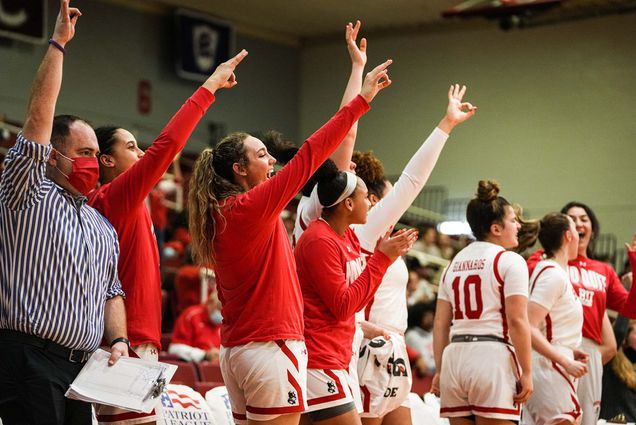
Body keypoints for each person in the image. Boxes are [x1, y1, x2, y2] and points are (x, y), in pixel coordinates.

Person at [187, 54, 393, 424]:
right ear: (240, 170)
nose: (273, 164)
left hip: (236, 350)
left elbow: (331, 157)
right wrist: (361, 101)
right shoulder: (250, 206)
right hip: (270, 346)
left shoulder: (216, 212)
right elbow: (312, 154)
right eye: (263, 156)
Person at [89, 48, 247, 425]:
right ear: (106, 161)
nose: (141, 152)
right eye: (130, 147)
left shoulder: (126, 200)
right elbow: (168, 145)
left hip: (135, 341)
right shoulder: (112, 196)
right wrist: (209, 87)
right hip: (122, 345)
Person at [0, 1, 128, 424]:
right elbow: (38, 117)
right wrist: (58, 45)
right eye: (85, 152)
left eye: (97, 152)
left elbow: (112, 291)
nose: (95, 161)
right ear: (53, 155)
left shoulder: (101, 225)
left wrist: (120, 340)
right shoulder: (26, 191)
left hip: (83, 369)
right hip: (27, 359)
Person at [349, 84, 476, 425]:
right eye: (392, 200)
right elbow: (412, 180)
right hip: (368, 345)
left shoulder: (381, 237)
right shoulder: (363, 232)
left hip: (395, 347)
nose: (399, 208)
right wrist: (445, 126)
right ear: (375, 202)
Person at [294, 169, 418, 425]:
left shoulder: (347, 236)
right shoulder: (319, 240)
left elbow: (355, 300)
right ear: (348, 203)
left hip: (340, 354)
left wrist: (363, 327)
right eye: (366, 197)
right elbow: (343, 305)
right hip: (318, 358)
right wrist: (382, 259)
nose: (372, 202)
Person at [432, 180, 533, 425]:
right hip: (491, 356)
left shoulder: (453, 263)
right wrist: (528, 371)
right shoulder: (510, 261)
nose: (518, 225)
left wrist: (439, 369)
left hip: (454, 358)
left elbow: (440, 323)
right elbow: (518, 320)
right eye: (513, 220)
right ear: (496, 229)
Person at [527, 202, 636, 425]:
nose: (578, 224)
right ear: (565, 234)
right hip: (551, 347)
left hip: (584, 353)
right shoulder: (546, 262)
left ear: (592, 229)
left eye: (584, 219)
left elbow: (630, 309)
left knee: (583, 419)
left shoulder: (603, 269)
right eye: (572, 219)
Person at [521, 213, 588, 425]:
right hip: (549, 365)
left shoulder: (556, 272)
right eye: (576, 232)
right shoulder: (552, 274)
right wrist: (564, 359)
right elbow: (528, 327)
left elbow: (546, 325)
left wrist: (569, 348)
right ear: (568, 236)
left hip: (552, 360)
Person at [169, 293, 222, 362]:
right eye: (219, 308)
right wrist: (204, 355)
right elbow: (175, 348)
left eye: (224, 311)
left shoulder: (225, 322)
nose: (221, 313)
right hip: (193, 365)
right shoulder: (191, 316)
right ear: (210, 303)